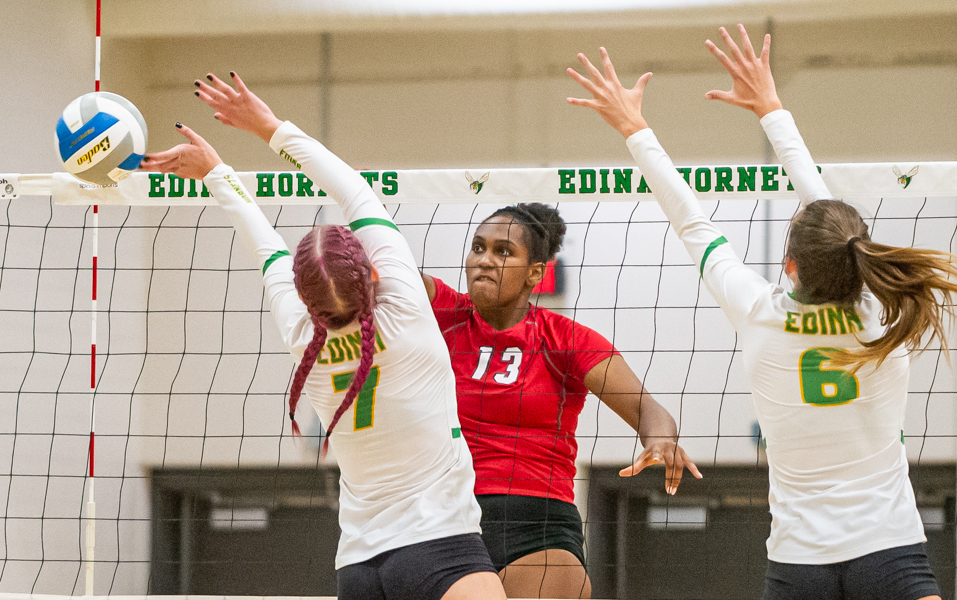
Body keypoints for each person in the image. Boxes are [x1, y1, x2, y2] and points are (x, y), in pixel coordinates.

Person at [567, 24, 952, 600]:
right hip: (891, 553)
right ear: (860, 258)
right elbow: (821, 205)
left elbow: (690, 219)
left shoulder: (756, 311)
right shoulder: (879, 310)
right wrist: (772, 107)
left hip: (799, 564)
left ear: (790, 267)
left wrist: (634, 126)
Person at [139, 72, 506, 600]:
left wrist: (216, 174)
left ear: (305, 297)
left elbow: (263, 247)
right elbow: (354, 192)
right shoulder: (406, 310)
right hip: (440, 550)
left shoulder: (300, 334)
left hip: (359, 569)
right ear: (371, 273)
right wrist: (266, 127)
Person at [421, 202, 701, 598]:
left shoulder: (564, 338)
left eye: (503, 252)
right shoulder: (446, 313)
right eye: (478, 247)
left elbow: (645, 407)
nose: (484, 260)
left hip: (537, 524)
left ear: (535, 272)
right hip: (447, 518)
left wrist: (660, 440)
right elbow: (388, 272)